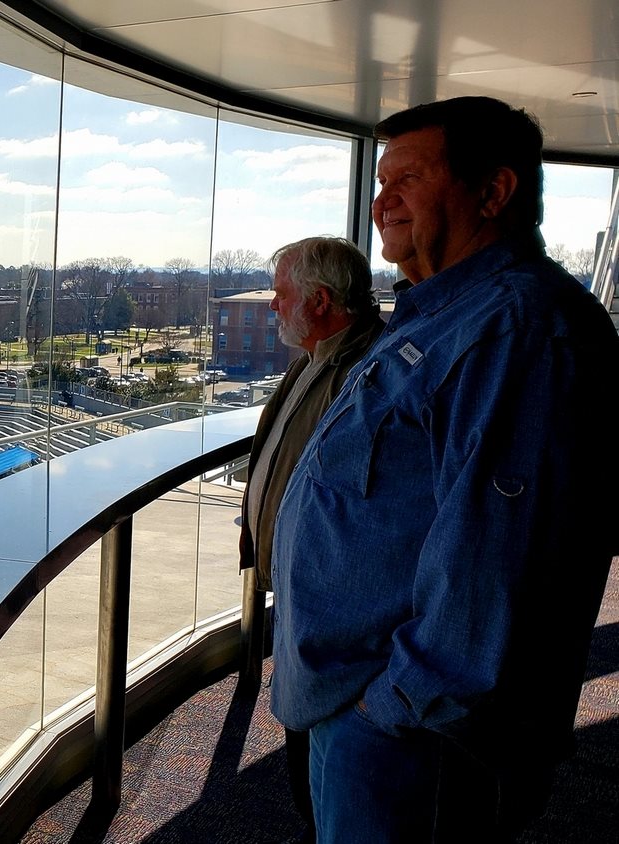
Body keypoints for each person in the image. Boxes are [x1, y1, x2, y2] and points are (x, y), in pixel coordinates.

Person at [270, 96, 619, 842]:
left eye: (408, 178)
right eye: (379, 179)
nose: (380, 200)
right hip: (369, 707)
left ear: (494, 192)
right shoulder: (442, 313)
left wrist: (393, 707)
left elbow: (499, 560)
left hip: (415, 734)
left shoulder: (517, 331)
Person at [239, 236, 385, 840]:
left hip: (334, 611)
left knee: (324, 775)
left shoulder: (363, 373)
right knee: (311, 765)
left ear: (321, 301)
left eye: (281, 295)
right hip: (308, 594)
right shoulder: (318, 355)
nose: (273, 306)